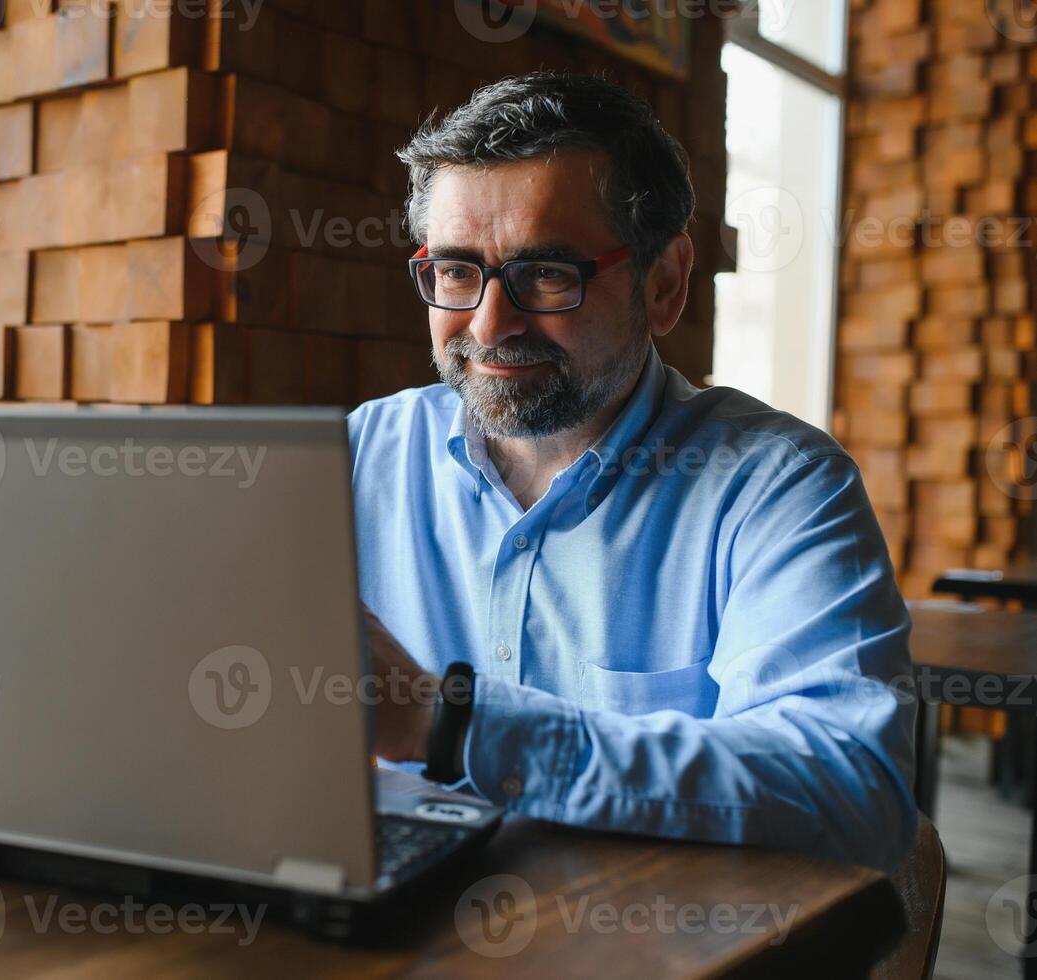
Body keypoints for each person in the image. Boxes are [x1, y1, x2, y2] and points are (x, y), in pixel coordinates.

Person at [350, 72, 916, 873]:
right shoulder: (354, 457)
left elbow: (852, 790)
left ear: (664, 284)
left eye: (546, 274)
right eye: (453, 270)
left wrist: (448, 724)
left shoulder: (780, 487)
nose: (487, 323)